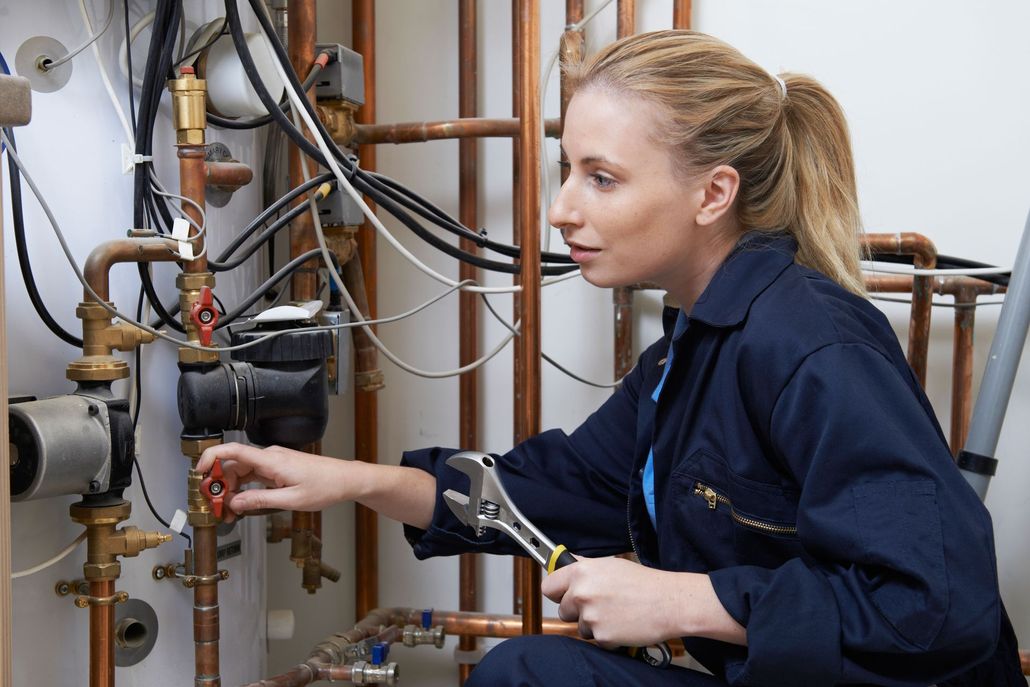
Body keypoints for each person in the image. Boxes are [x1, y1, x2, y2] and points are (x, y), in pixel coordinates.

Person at [198, 30, 1023, 686]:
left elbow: (941, 609)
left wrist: (687, 599)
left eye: (602, 177)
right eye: (567, 169)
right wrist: (352, 480)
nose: (560, 209)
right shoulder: (691, 350)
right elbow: (550, 491)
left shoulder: (811, 345)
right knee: (527, 671)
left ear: (714, 194)